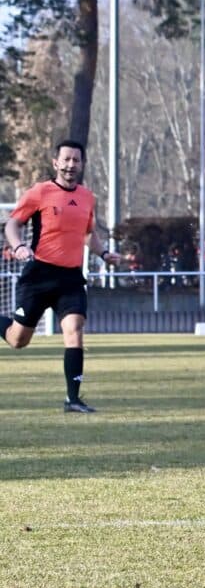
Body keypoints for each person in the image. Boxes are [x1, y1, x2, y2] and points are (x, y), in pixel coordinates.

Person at [4, 139, 119, 412]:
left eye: (75, 160)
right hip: (39, 275)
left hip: (70, 278)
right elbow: (12, 224)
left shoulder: (87, 197)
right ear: (56, 163)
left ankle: (73, 399)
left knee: (74, 330)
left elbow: (90, 234)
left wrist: (104, 255)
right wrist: (18, 246)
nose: (71, 165)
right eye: (66, 159)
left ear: (81, 164)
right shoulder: (40, 192)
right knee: (18, 340)